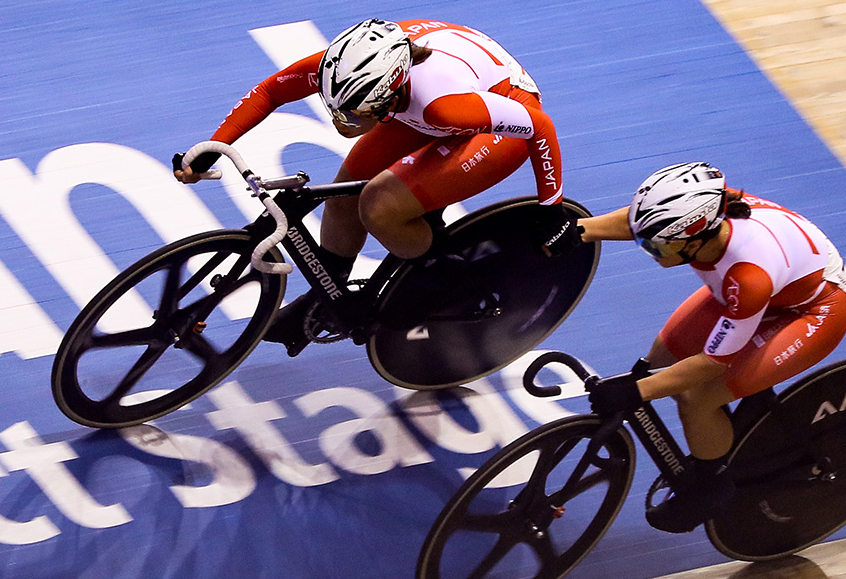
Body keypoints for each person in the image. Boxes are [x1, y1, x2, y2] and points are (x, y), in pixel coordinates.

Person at [175, 18, 576, 354]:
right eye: (337, 109)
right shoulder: (349, 65)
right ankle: (326, 300)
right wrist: (214, 146)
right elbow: (271, 90)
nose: (342, 123)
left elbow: (539, 127)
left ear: (390, 93)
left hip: (496, 113)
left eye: (354, 113)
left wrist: (551, 207)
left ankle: (442, 282)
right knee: (345, 193)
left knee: (380, 207)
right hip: (432, 93)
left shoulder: (441, 106)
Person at [567, 162, 846, 533]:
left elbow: (712, 363)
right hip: (759, 293)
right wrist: (579, 230)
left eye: (656, 245)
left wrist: (635, 392)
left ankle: (710, 483)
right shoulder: (703, 221)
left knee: (697, 397)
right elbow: (640, 222)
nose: (648, 251)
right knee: (659, 362)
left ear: (695, 240)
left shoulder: (748, 276)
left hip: (815, 311)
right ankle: (721, 428)